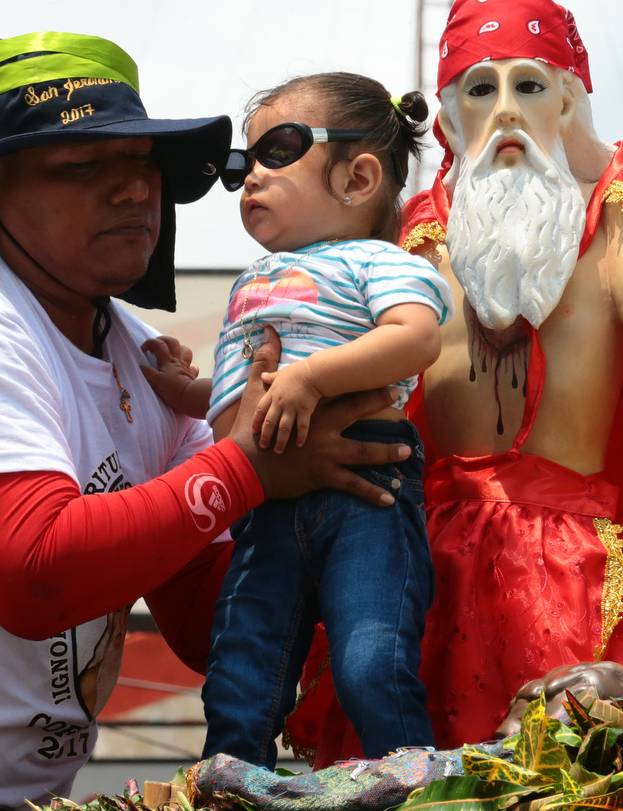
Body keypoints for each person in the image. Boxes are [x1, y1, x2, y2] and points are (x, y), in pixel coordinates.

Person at [0, 32, 412, 810]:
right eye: (85, 165)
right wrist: (250, 466)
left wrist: (377, 538)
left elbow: (206, 619)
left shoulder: (139, 356)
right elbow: (35, 575)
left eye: (142, 161)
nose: (133, 190)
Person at [288, 0, 623, 764]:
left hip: (579, 575)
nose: (507, 111)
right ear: (451, 117)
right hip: (428, 575)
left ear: (567, 103)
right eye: (481, 90)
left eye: (528, 85)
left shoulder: (615, 219)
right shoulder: (416, 240)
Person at [142, 73, 453, 768]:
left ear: (358, 177)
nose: (250, 175)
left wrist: (311, 378)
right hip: (262, 499)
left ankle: (412, 782)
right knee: (239, 672)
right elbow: (240, 392)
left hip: (364, 491)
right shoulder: (252, 279)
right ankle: (230, 790)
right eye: (240, 164)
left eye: (277, 151)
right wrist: (184, 390)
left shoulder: (378, 260)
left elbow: (415, 338)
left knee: (371, 657)